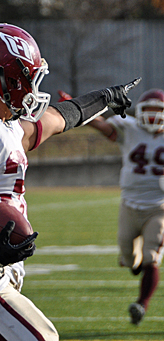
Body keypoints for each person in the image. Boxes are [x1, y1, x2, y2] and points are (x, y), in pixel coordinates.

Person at [0, 23, 140, 341]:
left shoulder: (8, 128)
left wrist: (105, 98)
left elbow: (59, 118)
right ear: (8, 77)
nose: (33, 87)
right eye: (30, 77)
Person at [76, 88, 164, 326]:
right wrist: (79, 110)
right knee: (129, 256)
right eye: (150, 111)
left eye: (159, 111)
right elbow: (104, 127)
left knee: (151, 257)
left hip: (160, 206)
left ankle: (141, 304)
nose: (154, 117)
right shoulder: (130, 129)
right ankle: (136, 266)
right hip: (129, 204)